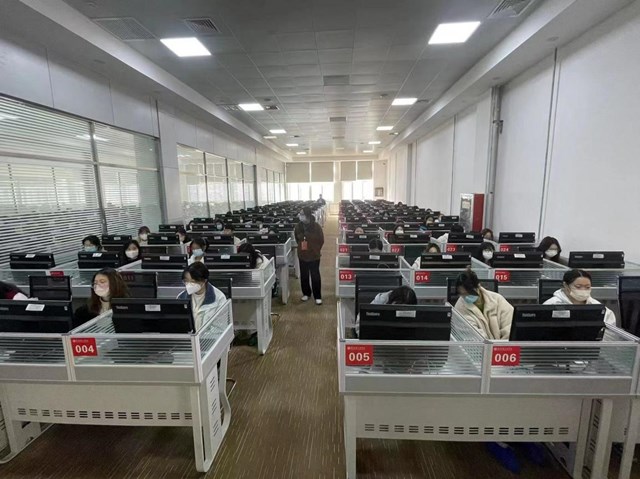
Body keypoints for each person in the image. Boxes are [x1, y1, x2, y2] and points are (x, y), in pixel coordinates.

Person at [454, 268, 514, 340]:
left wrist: (502, 345)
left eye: (469, 293)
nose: (466, 297)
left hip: (503, 345)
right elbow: (474, 337)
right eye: (463, 294)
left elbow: (510, 327)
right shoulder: (459, 309)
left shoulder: (497, 299)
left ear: (478, 286)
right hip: (481, 346)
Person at [544, 269, 616, 325]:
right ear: (566, 286)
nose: (583, 290)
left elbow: (610, 335)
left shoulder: (599, 308)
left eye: (587, 287)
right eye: (578, 287)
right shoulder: (551, 305)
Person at [178, 262, 227, 331]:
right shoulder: (181, 297)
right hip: (189, 337)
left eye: (193, 281)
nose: (189, 285)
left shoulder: (219, 298)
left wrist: (201, 336)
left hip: (209, 337)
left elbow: (220, 328)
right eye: (186, 281)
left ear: (204, 281)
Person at [294, 206, 325, 305]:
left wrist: (315, 249)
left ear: (307, 215)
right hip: (302, 255)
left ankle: (317, 296)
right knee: (304, 275)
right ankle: (306, 293)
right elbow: (297, 239)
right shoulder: (298, 227)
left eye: (302, 214)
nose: (300, 216)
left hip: (314, 255)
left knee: (315, 276)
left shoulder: (316, 227)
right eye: (300, 214)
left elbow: (321, 240)